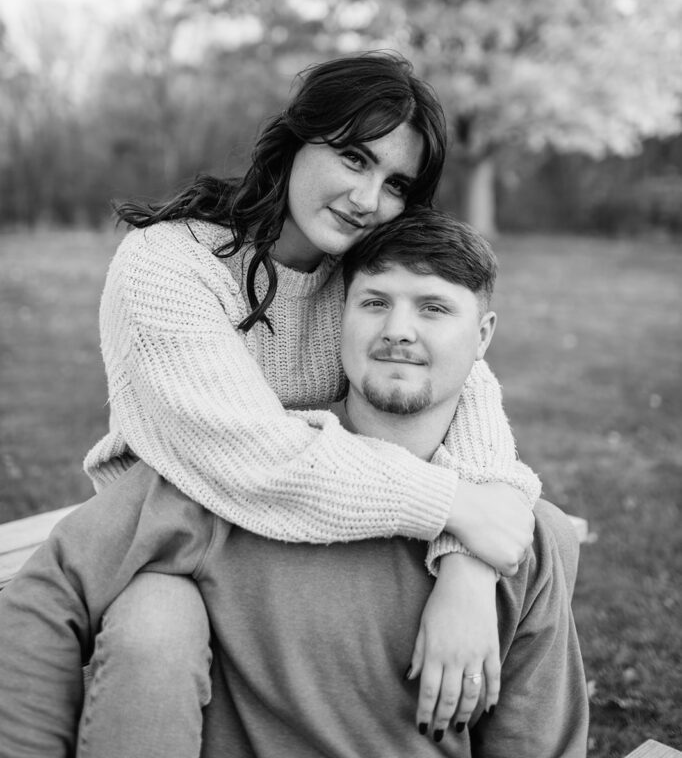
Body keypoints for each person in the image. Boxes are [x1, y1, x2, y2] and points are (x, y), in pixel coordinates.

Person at [13, 52, 541, 755]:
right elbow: (251, 455)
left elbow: (465, 386)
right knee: (153, 635)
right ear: (296, 140)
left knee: (539, 548)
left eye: (395, 184)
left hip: (317, 550)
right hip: (171, 538)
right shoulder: (170, 264)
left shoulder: (365, 281)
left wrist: (468, 565)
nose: (366, 198)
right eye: (354, 159)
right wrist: (459, 510)